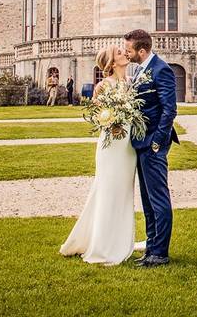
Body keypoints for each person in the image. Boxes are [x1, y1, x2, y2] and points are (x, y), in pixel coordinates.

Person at [60, 45, 143, 266]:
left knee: (123, 193)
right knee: (107, 190)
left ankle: (120, 239)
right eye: (118, 53)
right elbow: (98, 117)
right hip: (111, 147)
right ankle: (103, 244)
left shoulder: (129, 83)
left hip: (128, 147)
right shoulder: (103, 86)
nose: (125, 53)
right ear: (112, 64)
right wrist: (111, 119)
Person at [123, 29, 179, 267]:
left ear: (141, 51)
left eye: (129, 50)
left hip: (153, 144)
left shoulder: (161, 69)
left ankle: (160, 253)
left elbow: (169, 109)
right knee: (147, 200)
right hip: (141, 142)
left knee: (158, 198)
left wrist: (157, 141)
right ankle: (152, 246)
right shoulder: (141, 70)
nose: (126, 54)